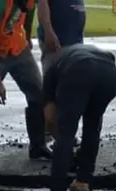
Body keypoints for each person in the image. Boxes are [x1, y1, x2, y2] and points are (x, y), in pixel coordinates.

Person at [34, 44, 116, 191]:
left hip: (79, 70)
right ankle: (83, 181)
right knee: (93, 125)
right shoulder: (67, 56)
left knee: (67, 131)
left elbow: (51, 118)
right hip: (109, 74)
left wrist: (62, 145)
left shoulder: (50, 75)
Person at [0, 0, 51, 168]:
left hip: (18, 47)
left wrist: (27, 36)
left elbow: (30, 10)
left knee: (38, 94)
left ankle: (38, 147)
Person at [37, 0, 86, 149]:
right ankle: (49, 133)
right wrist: (48, 32)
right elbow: (42, 4)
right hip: (58, 41)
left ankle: (63, 132)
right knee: (54, 89)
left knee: (70, 90)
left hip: (73, 40)